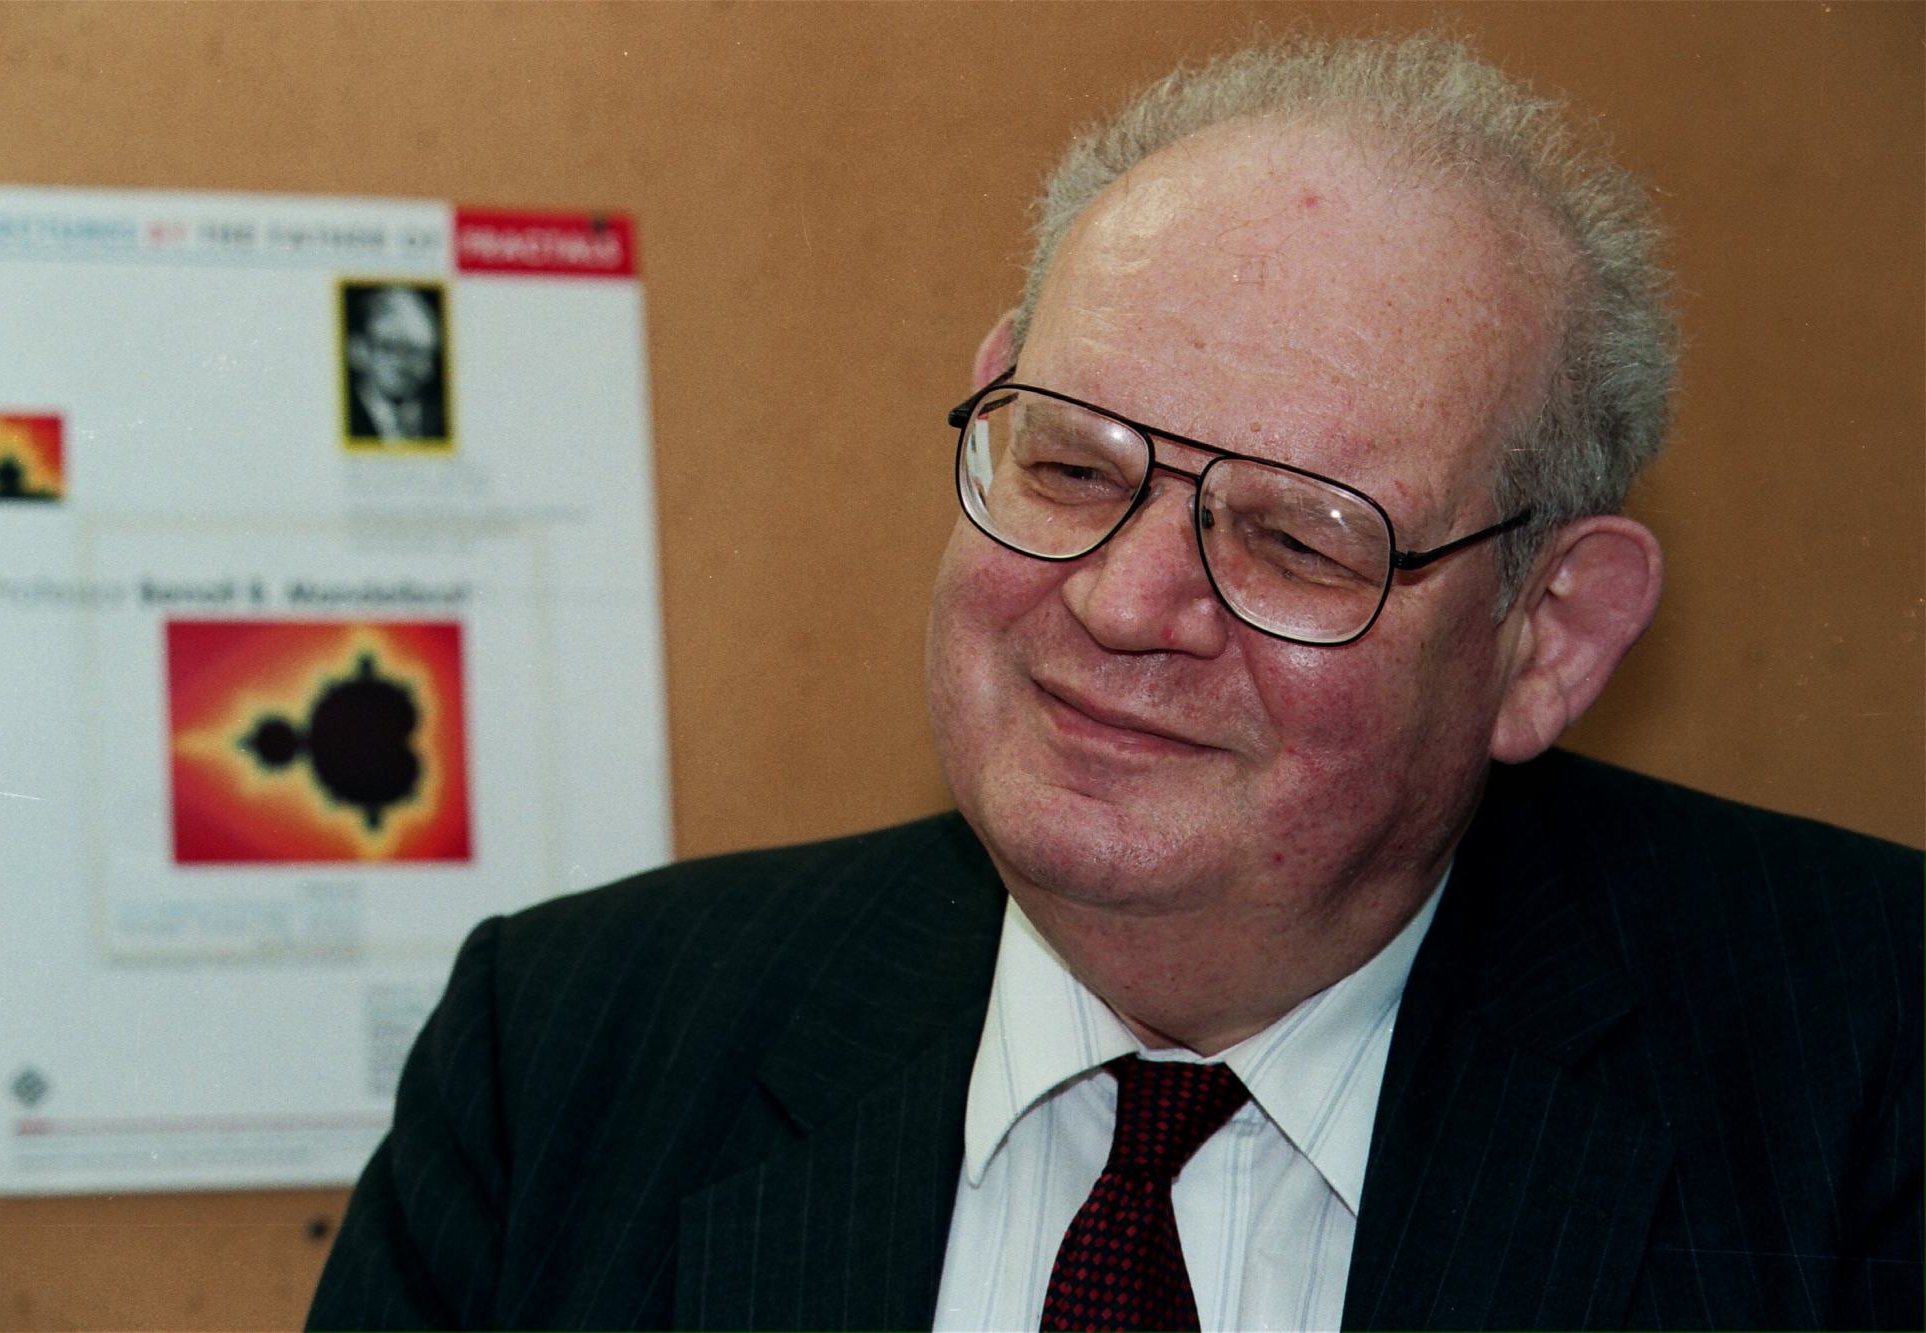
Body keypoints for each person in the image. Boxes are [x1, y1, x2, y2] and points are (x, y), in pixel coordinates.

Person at [307, 33, 1920, 1332]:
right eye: (1075, 465)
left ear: (1545, 636)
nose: (1126, 597)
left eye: (1296, 536)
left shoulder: (1865, 1072)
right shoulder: (571, 1055)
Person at [345, 283, 448, 444]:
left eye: (422, 354)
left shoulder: (439, 419)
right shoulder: (344, 416)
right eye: (393, 348)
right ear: (358, 349)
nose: (413, 367)